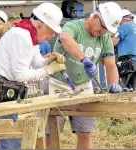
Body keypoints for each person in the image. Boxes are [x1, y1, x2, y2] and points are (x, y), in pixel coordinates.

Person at [0, 2, 66, 149]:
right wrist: (48, 70)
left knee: (13, 132)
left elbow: (36, 62)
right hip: (3, 84)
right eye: (51, 31)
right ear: (40, 26)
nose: (52, 36)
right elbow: (20, 75)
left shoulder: (29, 33)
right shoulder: (22, 36)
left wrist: (48, 60)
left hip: (8, 84)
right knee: (11, 135)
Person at [50, 2, 123, 149]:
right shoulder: (74, 26)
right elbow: (65, 38)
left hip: (83, 85)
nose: (103, 32)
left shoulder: (105, 38)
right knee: (52, 132)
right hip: (58, 84)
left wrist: (113, 83)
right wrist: (84, 59)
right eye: (103, 28)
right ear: (95, 17)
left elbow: (110, 64)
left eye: (107, 30)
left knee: (85, 132)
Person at [112, 9, 136, 90]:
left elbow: (114, 41)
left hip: (126, 62)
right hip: (134, 61)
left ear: (124, 19)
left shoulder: (124, 26)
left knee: (120, 89)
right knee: (133, 90)